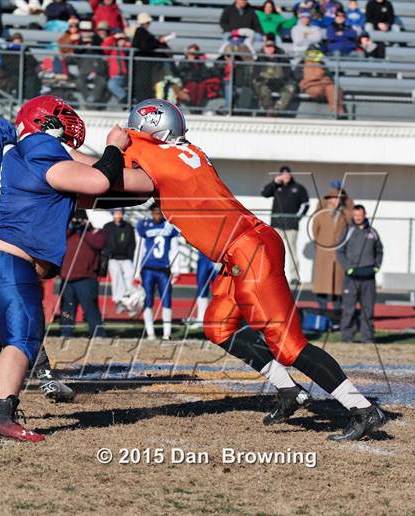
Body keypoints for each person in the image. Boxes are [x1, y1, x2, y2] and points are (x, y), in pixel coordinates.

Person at [115, 98, 386, 442]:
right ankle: (289, 390)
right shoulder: (184, 151)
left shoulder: (157, 156)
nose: (132, 136)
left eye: (137, 130)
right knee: (218, 326)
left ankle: (362, 409)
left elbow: (111, 181)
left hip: (248, 248)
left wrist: (101, 153)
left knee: (289, 346)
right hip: (241, 247)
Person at [0, 96, 130, 442]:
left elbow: (95, 188)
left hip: (10, 257)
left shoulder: (16, 154)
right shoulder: (38, 147)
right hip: (9, 259)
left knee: (19, 335)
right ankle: (2, 414)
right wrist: (114, 148)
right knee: (23, 334)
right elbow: (99, 183)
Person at [337, 205, 383, 343]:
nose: (358, 217)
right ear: (353, 215)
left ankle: (367, 338)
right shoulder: (347, 231)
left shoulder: (372, 232)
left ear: (364, 215)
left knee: (367, 309)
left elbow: (379, 251)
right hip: (351, 278)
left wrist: (376, 266)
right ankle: (347, 337)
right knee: (348, 309)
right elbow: (339, 251)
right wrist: (348, 267)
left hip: (368, 278)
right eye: (355, 215)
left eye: (360, 215)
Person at [60, 210, 106, 337]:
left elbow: (99, 243)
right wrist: (71, 226)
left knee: (91, 308)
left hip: (86, 278)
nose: (78, 222)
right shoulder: (68, 234)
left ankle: (98, 334)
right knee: (67, 309)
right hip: (67, 278)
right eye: (76, 220)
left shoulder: (95, 232)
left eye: (81, 220)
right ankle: (66, 333)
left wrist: (85, 229)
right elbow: (58, 238)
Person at [137, 204, 180, 341]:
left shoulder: (169, 226)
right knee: (147, 300)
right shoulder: (144, 225)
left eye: (159, 213)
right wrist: (136, 270)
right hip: (148, 268)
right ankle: (150, 333)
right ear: (151, 213)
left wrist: (176, 269)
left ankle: (167, 333)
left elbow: (174, 249)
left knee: (166, 300)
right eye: (154, 213)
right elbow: (139, 248)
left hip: (163, 269)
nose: (157, 215)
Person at [261, 166, 309, 285]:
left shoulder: (298, 188)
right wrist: (274, 182)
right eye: (283, 174)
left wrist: (295, 219)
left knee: (292, 251)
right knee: (272, 250)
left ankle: (294, 277)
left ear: (291, 175)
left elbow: (305, 205)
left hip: (291, 227)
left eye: (287, 174)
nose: (285, 176)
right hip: (276, 225)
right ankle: (270, 273)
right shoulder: (276, 187)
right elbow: (264, 193)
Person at [311, 181, 353, 312]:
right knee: (321, 284)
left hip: (338, 253)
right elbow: (315, 231)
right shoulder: (320, 215)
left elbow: (352, 210)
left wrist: (343, 192)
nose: (336, 201)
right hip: (323, 253)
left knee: (337, 285)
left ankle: (336, 312)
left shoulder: (346, 214)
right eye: (333, 198)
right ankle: (322, 310)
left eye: (338, 198)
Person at [103, 208, 137, 315]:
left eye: (120, 213)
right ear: (112, 214)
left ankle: (130, 303)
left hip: (126, 258)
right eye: (116, 213)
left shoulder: (128, 227)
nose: (118, 215)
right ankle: (119, 301)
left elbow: (132, 244)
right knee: (116, 275)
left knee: (130, 275)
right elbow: (104, 242)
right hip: (113, 258)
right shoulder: (107, 227)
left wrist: (130, 257)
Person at [131, 12, 169, 102]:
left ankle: (144, 101)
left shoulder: (142, 32)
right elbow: (144, 46)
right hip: (143, 63)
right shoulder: (141, 31)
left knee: (145, 83)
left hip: (144, 62)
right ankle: (143, 102)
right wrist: (158, 42)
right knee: (144, 83)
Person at [298, 46, 345, 116]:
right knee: (318, 90)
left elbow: (330, 77)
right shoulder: (301, 64)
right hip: (311, 85)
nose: (313, 55)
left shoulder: (322, 64)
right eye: (311, 53)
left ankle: (339, 113)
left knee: (333, 90)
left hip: (325, 84)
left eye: (315, 53)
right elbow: (298, 77)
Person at [253, 40, 296, 115]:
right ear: (264, 48)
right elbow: (255, 75)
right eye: (267, 47)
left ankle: (277, 109)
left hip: (280, 82)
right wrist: (265, 80)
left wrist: (280, 80)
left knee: (291, 87)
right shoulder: (259, 60)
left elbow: (288, 74)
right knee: (262, 89)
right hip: (265, 82)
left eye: (271, 47)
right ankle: (269, 110)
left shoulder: (283, 59)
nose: (269, 49)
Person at [190, 252, 218, 329]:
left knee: (220, 290)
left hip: (218, 257)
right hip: (203, 257)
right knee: (201, 289)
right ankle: (201, 319)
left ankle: (221, 318)